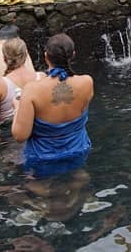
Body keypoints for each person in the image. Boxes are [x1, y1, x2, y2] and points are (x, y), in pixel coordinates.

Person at [12, 34, 93, 178]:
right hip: (79, 149)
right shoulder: (87, 82)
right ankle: (75, 197)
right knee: (78, 179)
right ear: (73, 55)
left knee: (39, 188)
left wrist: (17, 107)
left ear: (46, 57)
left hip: (43, 158)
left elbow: (20, 136)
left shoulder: (32, 90)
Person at [0, 38, 42, 125]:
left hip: (10, 134)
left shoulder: (0, 84)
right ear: (26, 55)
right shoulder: (41, 77)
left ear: (4, 58)